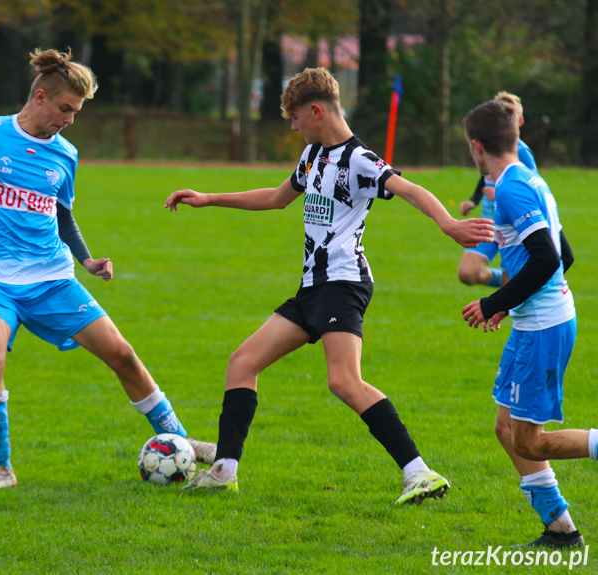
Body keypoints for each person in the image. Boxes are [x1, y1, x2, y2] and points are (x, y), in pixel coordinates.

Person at [164, 67, 494, 503]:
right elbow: (277, 197)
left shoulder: (358, 159)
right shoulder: (312, 157)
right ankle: (224, 472)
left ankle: (420, 473)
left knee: (343, 381)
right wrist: (209, 198)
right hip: (312, 289)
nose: (295, 127)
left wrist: (448, 223)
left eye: (297, 119)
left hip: (343, 284)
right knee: (242, 363)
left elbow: (410, 188)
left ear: (317, 111)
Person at [0, 48, 213, 489]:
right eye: (66, 109)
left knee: (123, 355)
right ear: (39, 97)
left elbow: (62, 214)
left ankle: (182, 441)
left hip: (53, 280)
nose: (70, 119)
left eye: (76, 112)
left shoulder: (66, 155)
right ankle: (2, 469)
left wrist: (87, 259)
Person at [461, 100, 596, 548]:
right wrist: (508, 306)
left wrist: (493, 300)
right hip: (533, 321)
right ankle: (560, 529)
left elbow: (549, 257)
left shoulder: (513, 189)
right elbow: (566, 256)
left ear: (477, 147)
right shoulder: (524, 179)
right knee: (506, 430)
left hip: (544, 327)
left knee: (531, 443)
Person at [457, 92, 537, 288]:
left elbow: (532, 188)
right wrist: (474, 200)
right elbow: (485, 176)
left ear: (519, 121)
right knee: (467, 272)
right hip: (489, 223)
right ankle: (510, 283)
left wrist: (501, 193)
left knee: (515, 285)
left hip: (514, 225)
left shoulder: (521, 152)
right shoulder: (489, 148)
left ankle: (514, 284)